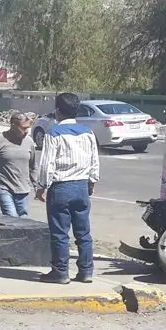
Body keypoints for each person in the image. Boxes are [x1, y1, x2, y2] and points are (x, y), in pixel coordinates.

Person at [34, 93, 101, 285]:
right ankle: (86, 271)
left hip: (61, 187)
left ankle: (60, 272)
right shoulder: (87, 133)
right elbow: (94, 160)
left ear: (57, 111)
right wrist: (91, 182)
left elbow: (47, 165)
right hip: (81, 186)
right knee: (83, 232)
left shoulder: (53, 133)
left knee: (60, 233)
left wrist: (41, 187)